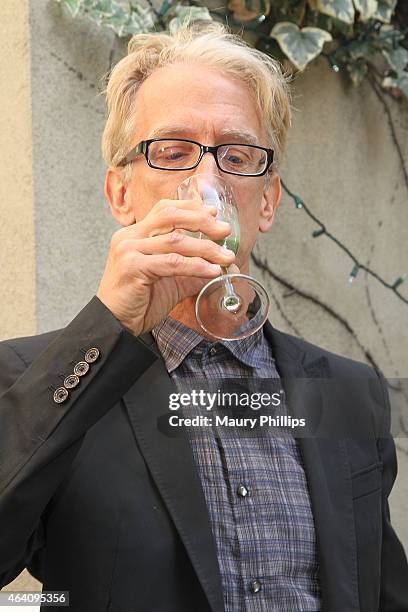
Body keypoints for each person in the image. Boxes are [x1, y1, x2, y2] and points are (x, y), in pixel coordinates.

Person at [0, 21, 407, 612]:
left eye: (237, 156)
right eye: (173, 151)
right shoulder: (36, 375)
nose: (207, 179)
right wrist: (107, 324)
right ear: (121, 194)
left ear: (266, 201)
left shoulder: (346, 390)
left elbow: (378, 589)